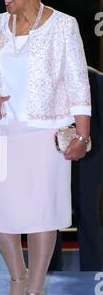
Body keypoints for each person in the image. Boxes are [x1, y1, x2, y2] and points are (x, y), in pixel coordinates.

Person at [0, 0, 91, 295]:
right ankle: (17, 276)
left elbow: (78, 83)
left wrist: (82, 133)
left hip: (45, 134)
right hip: (2, 133)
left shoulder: (63, 26)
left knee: (43, 216)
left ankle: (36, 291)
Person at [50, 66, 103, 271]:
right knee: (51, 212)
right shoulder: (46, 77)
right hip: (53, 153)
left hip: (91, 156)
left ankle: (93, 273)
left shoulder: (95, 80)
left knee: (87, 213)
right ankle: (50, 271)